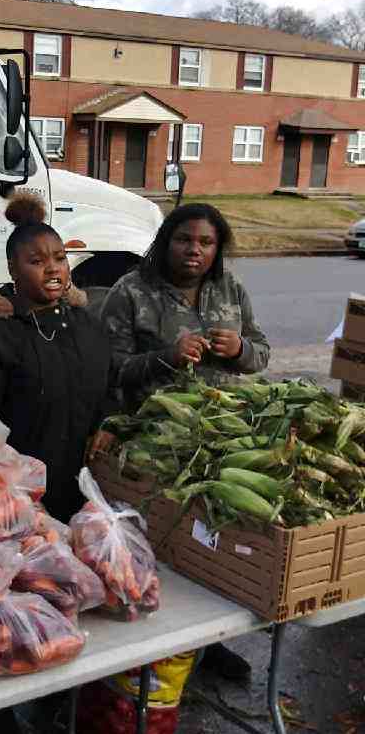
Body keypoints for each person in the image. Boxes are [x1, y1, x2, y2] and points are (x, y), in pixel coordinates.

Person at [101, 202, 270, 682]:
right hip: (160, 441)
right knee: (170, 547)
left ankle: (212, 645)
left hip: (225, 437)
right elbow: (110, 371)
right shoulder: (132, 292)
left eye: (205, 243)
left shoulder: (230, 289)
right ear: (166, 241)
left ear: (217, 250)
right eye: (184, 240)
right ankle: (156, 645)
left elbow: (261, 353)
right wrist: (165, 357)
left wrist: (239, 349)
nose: (194, 250)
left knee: (218, 546)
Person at [0, 190, 111, 524]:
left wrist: (106, 424)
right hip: (18, 499)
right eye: (37, 262)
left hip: (80, 491)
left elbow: (106, 386)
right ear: (13, 268)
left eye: (59, 258)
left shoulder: (86, 325)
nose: (52, 270)